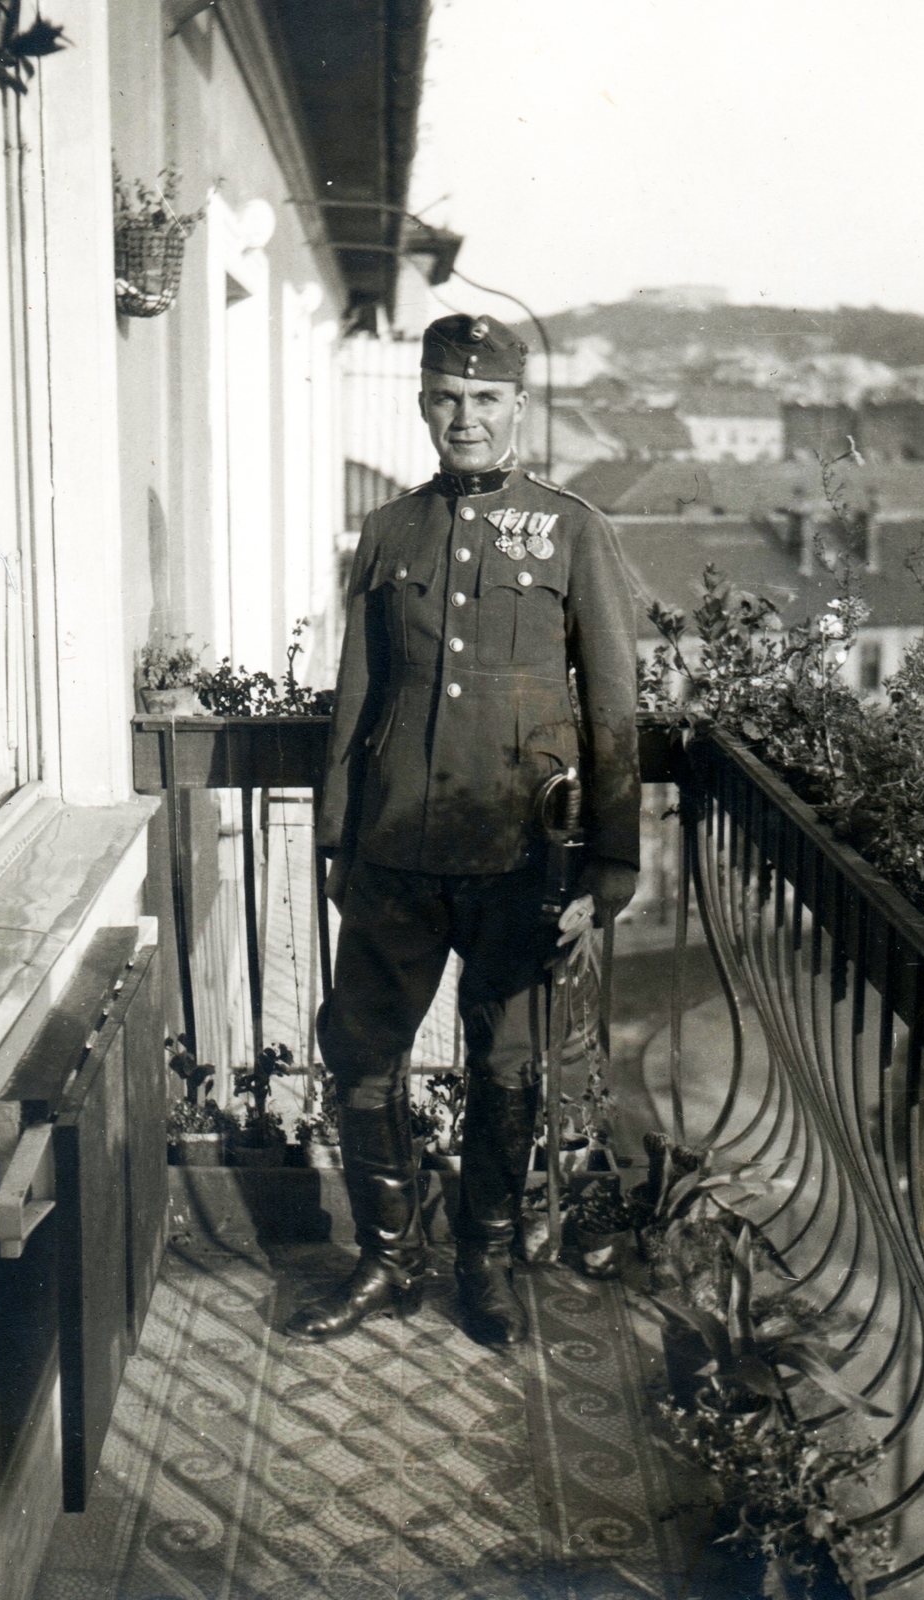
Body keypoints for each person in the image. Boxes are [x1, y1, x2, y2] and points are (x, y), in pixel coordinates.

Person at [285, 312, 640, 1347]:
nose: (465, 418)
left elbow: (613, 702)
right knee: (360, 1057)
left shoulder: (572, 529)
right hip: (394, 850)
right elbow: (357, 695)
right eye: (446, 396)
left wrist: (611, 857)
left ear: (517, 407)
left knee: (506, 1067)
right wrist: (338, 840)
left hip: (518, 858)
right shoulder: (390, 531)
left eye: (486, 400)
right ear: (423, 402)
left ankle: (482, 1261)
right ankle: (386, 1259)